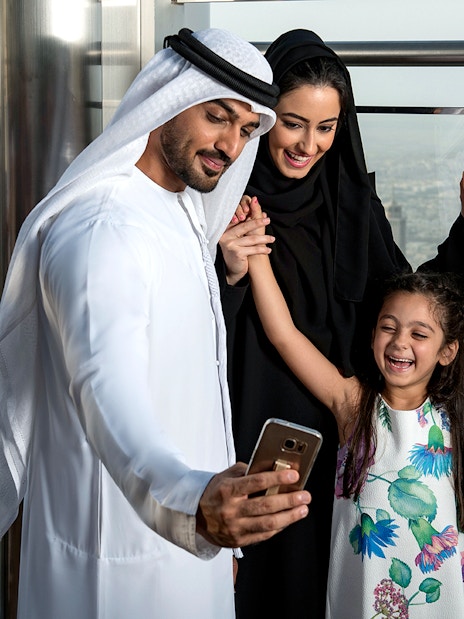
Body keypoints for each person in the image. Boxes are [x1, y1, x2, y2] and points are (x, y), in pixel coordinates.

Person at [0, 28, 312, 619]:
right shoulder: (101, 230)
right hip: (112, 566)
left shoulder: (179, 212)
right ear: (169, 98)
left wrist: (214, 523)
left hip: (190, 548)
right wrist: (191, 501)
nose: (230, 143)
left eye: (247, 130)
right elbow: (104, 388)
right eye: (217, 116)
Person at [216, 28, 464, 618]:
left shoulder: (351, 201)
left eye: (326, 127)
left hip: (355, 444)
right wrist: (225, 269)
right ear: (263, 115)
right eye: (292, 122)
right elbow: (189, 325)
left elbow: (410, 301)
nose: (308, 144)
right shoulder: (227, 201)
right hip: (256, 431)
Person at [247, 240, 464, 617]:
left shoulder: (455, 421)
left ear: (448, 351)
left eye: (419, 334)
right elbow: (283, 334)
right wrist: (254, 253)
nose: (400, 342)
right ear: (372, 334)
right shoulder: (353, 405)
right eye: (389, 327)